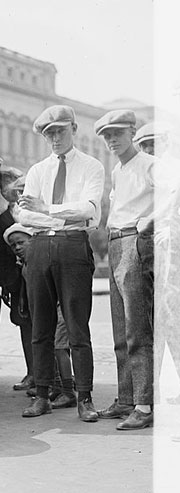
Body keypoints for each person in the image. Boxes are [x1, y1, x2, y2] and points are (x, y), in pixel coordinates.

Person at [14, 105, 104, 422]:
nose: (54, 138)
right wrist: (51, 211)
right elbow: (24, 214)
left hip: (73, 245)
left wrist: (47, 207)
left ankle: (85, 398)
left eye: (60, 131)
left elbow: (89, 210)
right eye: (49, 133)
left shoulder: (92, 167)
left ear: (74, 129)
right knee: (41, 326)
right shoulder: (38, 170)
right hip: (40, 246)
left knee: (77, 326)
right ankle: (42, 396)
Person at [94, 110, 155, 430]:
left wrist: (151, 219)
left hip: (135, 240)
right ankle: (127, 398)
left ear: (132, 132)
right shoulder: (118, 170)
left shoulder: (149, 163)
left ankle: (144, 405)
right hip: (117, 241)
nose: (112, 140)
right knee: (120, 329)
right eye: (106, 136)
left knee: (137, 329)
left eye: (117, 133)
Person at [3, 223, 76, 409]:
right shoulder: (26, 264)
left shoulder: (44, 259)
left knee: (60, 348)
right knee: (50, 347)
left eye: (21, 242)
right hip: (48, 310)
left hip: (60, 309)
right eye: (13, 246)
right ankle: (57, 386)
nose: (17, 248)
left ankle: (68, 392)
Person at [135, 122, 180, 404]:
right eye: (145, 145)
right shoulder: (145, 173)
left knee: (173, 323)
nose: (150, 149)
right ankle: (154, 394)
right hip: (151, 253)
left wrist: (172, 230)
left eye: (154, 143)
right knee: (153, 327)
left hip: (173, 256)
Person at [0, 166, 34, 392]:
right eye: (3, 186)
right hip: (16, 281)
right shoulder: (2, 218)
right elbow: (3, 253)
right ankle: (32, 373)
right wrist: (5, 283)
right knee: (24, 324)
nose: (9, 191)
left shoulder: (36, 211)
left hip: (37, 276)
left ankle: (54, 376)